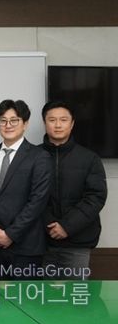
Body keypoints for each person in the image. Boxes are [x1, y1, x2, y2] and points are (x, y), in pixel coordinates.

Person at [40, 100, 107, 279]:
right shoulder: (33, 156)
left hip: (78, 242)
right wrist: (50, 225)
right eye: (52, 120)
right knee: (43, 295)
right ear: (44, 123)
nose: (58, 125)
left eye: (63, 120)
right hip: (41, 242)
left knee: (75, 293)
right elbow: (28, 196)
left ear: (72, 124)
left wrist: (66, 226)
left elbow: (96, 197)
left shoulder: (89, 158)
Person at [0, 99, 51, 279]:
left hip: (26, 246)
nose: (8, 125)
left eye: (14, 120)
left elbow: (37, 201)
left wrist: (10, 234)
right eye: (3, 120)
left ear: (25, 124)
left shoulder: (39, 156)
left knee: (24, 296)